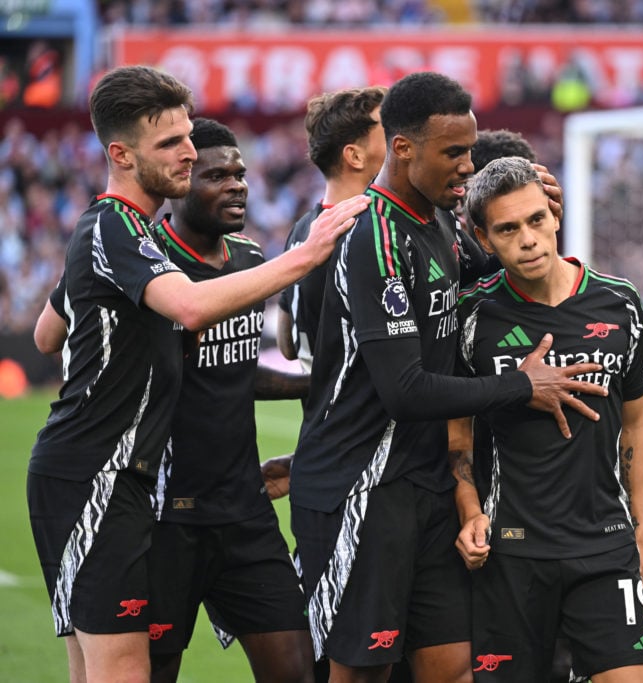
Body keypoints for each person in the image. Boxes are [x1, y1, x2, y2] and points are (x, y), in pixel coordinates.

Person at [26, 65, 367, 683]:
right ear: (121, 154)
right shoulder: (116, 225)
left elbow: (47, 334)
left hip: (128, 479)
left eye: (188, 137)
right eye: (171, 144)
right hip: (97, 478)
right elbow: (187, 307)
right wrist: (309, 253)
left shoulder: (126, 236)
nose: (188, 152)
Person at [288, 71, 607, 683]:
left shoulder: (440, 225)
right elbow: (404, 390)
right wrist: (524, 385)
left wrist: (531, 225)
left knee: (452, 667)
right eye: (454, 153)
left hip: (429, 484)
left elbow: (492, 283)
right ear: (402, 148)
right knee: (363, 671)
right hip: (363, 487)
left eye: (470, 149)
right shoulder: (372, 233)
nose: (468, 167)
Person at [450, 156, 643, 682]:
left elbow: (638, 422)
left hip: (606, 546)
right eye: (507, 228)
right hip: (511, 552)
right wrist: (469, 511)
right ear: (483, 237)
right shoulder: (472, 316)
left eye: (536, 220)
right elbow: (457, 431)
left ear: (554, 215)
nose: (528, 239)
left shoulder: (620, 302)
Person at [145, 118, 315, 682]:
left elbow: (239, 370)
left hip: (245, 509)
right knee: (153, 669)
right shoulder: (147, 267)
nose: (236, 184)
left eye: (239, 174)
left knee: (296, 667)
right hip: (167, 516)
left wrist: (321, 384)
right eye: (216, 175)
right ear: (180, 185)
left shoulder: (247, 259)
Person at [277, 86, 388, 373]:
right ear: (355, 156)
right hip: (362, 413)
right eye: (388, 131)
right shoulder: (368, 229)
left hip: (314, 411)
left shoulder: (301, 228)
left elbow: (286, 345)